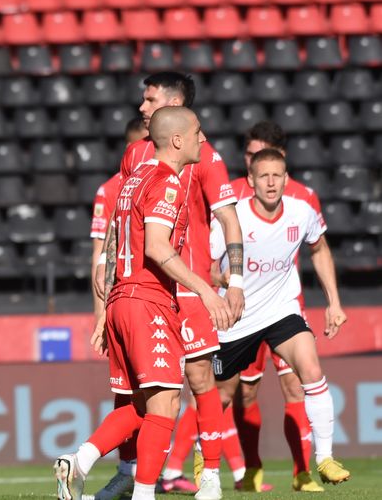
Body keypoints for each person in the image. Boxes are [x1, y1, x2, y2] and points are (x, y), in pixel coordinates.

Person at [56, 107, 234, 500]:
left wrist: (105, 310)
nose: (202, 140)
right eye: (197, 133)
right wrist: (205, 290)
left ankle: (80, 460)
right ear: (177, 140)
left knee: (142, 406)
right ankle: (143, 494)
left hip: (121, 298)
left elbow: (114, 245)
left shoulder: (131, 181)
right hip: (148, 300)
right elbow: (156, 248)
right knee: (167, 403)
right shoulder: (166, 182)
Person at [208, 149, 350, 490]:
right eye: (264, 176)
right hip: (238, 317)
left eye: (277, 175)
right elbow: (210, 268)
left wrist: (334, 302)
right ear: (251, 181)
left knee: (311, 370)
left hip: (282, 311)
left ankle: (325, 459)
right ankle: (205, 457)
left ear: (286, 179)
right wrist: (230, 283)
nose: (271, 182)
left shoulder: (302, 212)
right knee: (220, 395)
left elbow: (320, 249)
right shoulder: (232, 217)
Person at [90, 117, 150, 338]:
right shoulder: (108, 191)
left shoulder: (166, 181)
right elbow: (99, 251)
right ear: (130, 148)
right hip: (122, 292)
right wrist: (99, 309)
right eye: (145, 144)